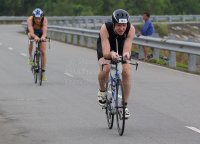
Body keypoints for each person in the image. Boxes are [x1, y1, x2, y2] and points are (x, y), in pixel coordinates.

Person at [96, 9, 135, 118]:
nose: (122, 28)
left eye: (124, 25)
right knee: (106, 68)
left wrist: (126, 54)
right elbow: (106, 52)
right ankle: (102, 90)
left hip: (121, 45)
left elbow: (127, 48)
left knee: (127, 71)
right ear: (113, 24)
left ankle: (124, 106)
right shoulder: (105, 28)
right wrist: (111, 54)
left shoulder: (130, 29)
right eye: (118, 25)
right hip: (107, 45)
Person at [27, 8, 48, 81]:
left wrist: (42, 37)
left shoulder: (44, 20)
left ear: (41, 17)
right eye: (36, 18)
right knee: (30, 37)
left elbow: (45, 32)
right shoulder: (30, 20)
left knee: (43, 51)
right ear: (33, 17)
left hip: (41, 32)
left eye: (39, 18)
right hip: (33, 32)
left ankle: (43, 72)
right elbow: (31, 31)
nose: (37, 20)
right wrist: (35, 37)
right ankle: (30, 56)